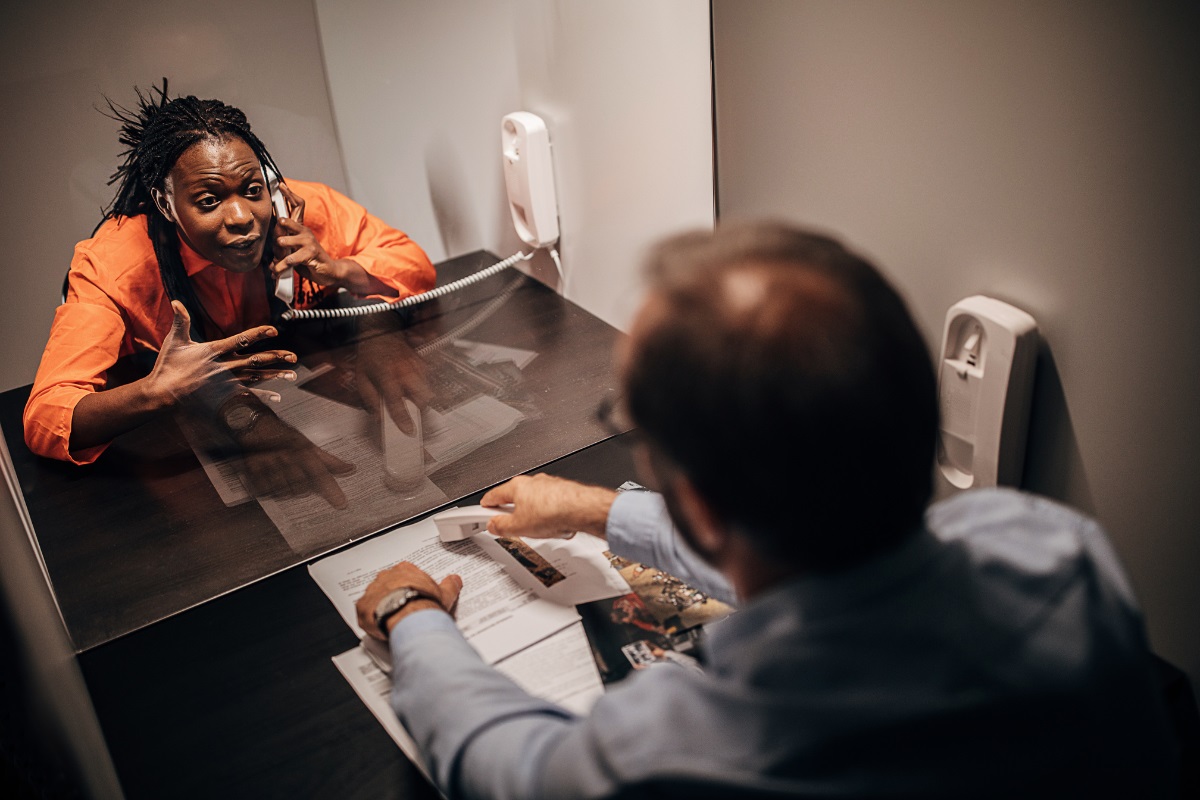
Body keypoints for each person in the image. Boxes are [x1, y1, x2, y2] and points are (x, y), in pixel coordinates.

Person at [356, 222, 1176, 798]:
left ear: (704, 503)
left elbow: (506, 765)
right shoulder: (1058, 551)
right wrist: (603, 511)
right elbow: (838, 574)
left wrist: (412, 615)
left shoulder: (685, 753)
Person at [23, 81, 434, 503]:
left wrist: (349, 283)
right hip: (184, 449)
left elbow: (411, 261)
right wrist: (153, 392)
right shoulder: (112, 264)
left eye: (252, 190)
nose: (242, 217)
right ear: (165, 205)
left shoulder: (299, 209)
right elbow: (46, 416)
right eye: (208, 200)